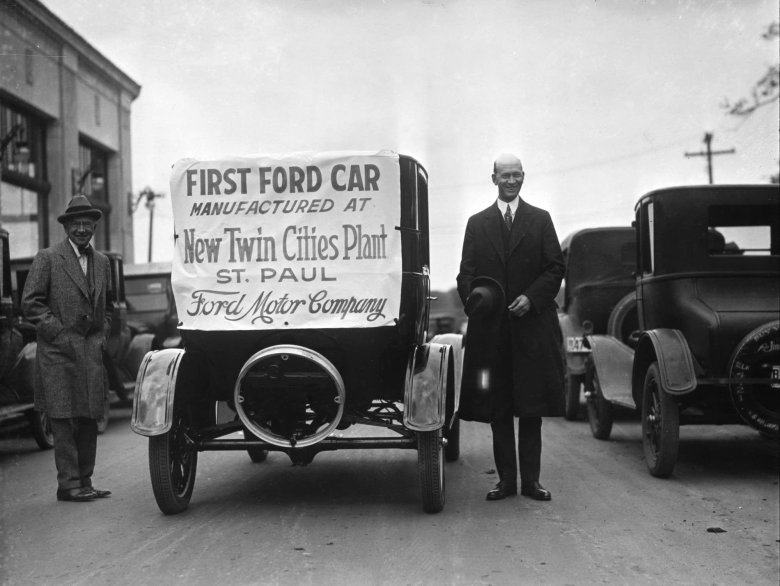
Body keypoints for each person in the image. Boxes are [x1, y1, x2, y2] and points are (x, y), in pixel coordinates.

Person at [457, 153, 565, 502]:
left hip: (532, 330)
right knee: (498, 408)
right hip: (492, 336)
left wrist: (531, 299)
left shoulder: (540, 219)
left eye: (516, 175)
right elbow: (466, 276)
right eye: (505, 176)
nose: (511, 181)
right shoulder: (477, 223)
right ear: (493, 179)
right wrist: (479, 302)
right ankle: (506, 482)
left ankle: (531, 483)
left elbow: (555, 267)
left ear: (523, 177)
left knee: (531, 408)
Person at [22, 195, 113, 502]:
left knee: (89, 417)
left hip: (90, 352)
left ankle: (85, 482)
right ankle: (68, 485)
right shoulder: (48, 258)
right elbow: (31, 303)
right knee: (62, 419)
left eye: (87, 224)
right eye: (76, 224)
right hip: (58, 352)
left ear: (94, 227)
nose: (82, 229)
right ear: (67, 227)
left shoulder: (101, 262)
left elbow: (108, 306)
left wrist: (102, 334)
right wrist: (58, 334)